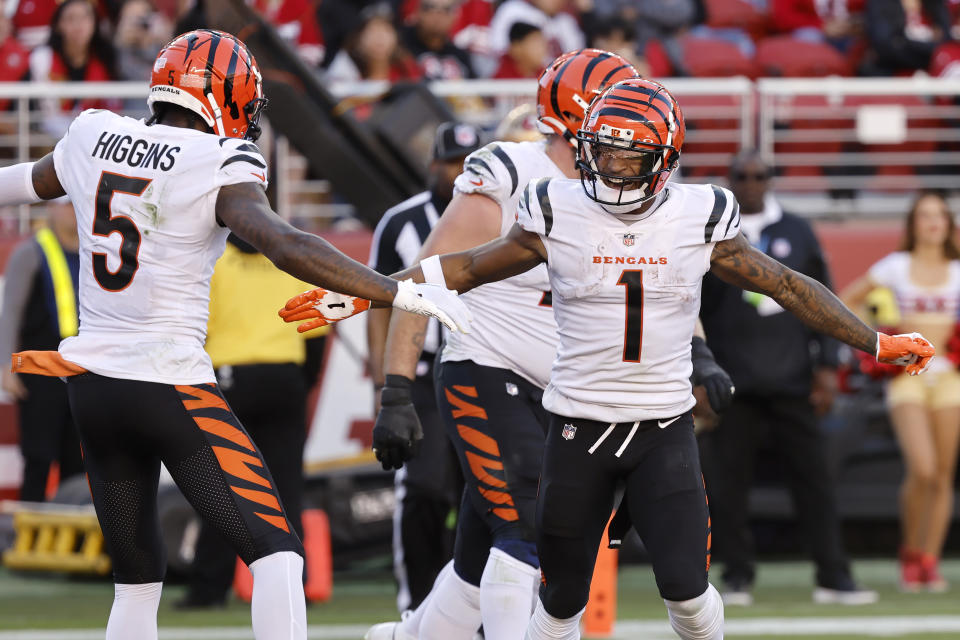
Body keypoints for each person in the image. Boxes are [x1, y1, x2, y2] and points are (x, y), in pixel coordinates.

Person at [283, 77, 935, 640]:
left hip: (663, 430)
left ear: (665, 159)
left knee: (687, 594)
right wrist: (354, 297)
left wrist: (876, 342)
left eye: (631, 156)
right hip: (576, 430)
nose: (615, 168)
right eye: (605, 152)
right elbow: (459, 269)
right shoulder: (554, 208)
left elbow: (787, 284)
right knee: (560, 597)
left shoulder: (699, 215)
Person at [4, 29, 469, 640]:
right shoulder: (218, 160)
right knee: (277, 554)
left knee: (137, 581)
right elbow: (282, 241)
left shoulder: (92, 134)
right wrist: (396, 289)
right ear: (224, 95)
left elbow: (19, 182)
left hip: (92, 387)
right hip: (168, 384)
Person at [287, 59, 734, 639]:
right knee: (527, 531)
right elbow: (431, 275)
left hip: (562, 398)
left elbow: (658, 288)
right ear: (584, 112)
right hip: (487, 367)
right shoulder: (511, 171)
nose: (632, 128)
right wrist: (396, 389)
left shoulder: (627, 190)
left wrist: (699, 352)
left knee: (478, 560)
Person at [697, 150, 878, 606]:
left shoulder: (797, 230)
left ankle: (833, 577)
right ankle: (736, 577)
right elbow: (693, 309)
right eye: (742, 175)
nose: (752, 183)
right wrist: (697, 374)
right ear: (730, 179)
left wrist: (826, 367)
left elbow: (824, 299)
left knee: (815, 482)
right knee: (728, 486)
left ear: (771, 179)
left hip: (793, 380)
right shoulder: (712, 233)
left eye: (760, 175)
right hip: (731, 381)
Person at [367, 121, 483, 612]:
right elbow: (378, 300)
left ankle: (477, 607)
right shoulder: (401, 221)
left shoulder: (502, 214)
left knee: (484, 494)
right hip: (422, 371)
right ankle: (417, 603)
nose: (459, 173)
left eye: (468, 162)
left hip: (482, 368)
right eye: (452, 162)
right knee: (424, 488)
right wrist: (384, 379)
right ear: (434, 164)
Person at [175, 233, 323, 609]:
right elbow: (317, 337)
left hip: (228, 379)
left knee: (220, 486)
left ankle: (209, 587)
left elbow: (190, 330)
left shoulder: (212, 260)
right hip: (284, 377)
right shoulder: (294, 254)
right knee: (285, 488)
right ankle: (293, 587)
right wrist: (297, 380)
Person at [841, 190, 960, 593]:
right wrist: (879, 343)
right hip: (907, 376)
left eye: (940, 215)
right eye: (925, 215)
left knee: (943, 475)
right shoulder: (896, 266)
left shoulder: (958, 268)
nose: (933, 222)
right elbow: (846, 301)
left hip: (950, 377)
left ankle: (929, 560)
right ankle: (910, 551)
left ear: (948, 223)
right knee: (922, 468)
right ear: (913, 223)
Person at [0, 198, 84, 502]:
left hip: (79, 375)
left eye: (76, 204)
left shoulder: (94, 254)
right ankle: (24, 541)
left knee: (76, 463)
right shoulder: (31, 252)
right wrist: (5, 368)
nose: (71, 212)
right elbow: (10, 313)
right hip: (39, 374)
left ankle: (72, 543)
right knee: (37, 459)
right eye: (65, 205)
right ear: (50, 208)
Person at [29, 0, 119, 136]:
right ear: (58, 24)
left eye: (85, 17)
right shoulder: (42, 58)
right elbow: (46, 113)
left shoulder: (107, 58)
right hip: (50, 138)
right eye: (71, 18)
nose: (79, 24)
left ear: (95, 22)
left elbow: (114, 107)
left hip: (97, 139)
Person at [401, 0, 475, 80]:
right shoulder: (400, 46)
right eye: (429, 7)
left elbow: (477, 87)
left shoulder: (461, 56)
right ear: (417, 12)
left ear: (455, 16)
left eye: (447, 9)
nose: (437, 15)